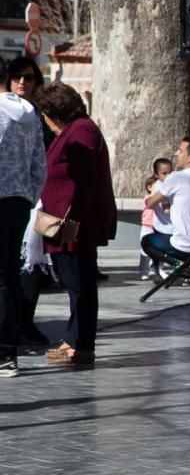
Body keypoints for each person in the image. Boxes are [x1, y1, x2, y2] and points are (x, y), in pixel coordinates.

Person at [36, 82, 117, 368]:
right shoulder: (75, 130)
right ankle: (75, 339)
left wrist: (74, 220)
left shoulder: (81, 131)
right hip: (68, 222)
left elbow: (84, 179)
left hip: (72, 225)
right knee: (75, 284)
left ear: (52, 112)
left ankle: (81, 344)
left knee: (79, 285)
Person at [0, 77, 47, 377]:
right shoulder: (28, 111)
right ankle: (7, 354)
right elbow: (39, 162)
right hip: (17, 200)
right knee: (8, 276)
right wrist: (29, 196)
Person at [142, 138, 190, 280]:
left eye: (180, 150)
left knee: (147, 241)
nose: (176, 153)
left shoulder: (176, 177)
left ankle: (180, 267)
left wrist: (152, 192)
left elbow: (151, 203)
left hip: (186, 247)